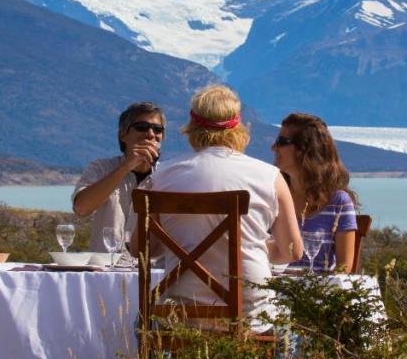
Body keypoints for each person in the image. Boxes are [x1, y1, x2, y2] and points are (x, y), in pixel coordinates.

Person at [134, 84, 302, 329]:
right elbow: (291, 251)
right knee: (289, 319)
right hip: (249, 311)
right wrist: (254, 245)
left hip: (181, 312)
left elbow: (140, 249)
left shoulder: (161, 177)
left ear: (192, 128)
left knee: (138, 323)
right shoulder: (270, 176)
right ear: (239, 127)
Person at [72, 101, 165, 251]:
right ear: (123, 134)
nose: (150, 134)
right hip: (105, 268)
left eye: (157, 129)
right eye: (142, 127)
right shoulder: (100, 168)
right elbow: (81, 208)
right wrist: (126, 167)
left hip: (151, 270)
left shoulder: (167, 177)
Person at [273, 113, 359, 273]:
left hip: (317, 294)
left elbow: (343, 268)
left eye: (281, 142)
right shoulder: (271, 195)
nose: (273, 147)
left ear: (304, 149)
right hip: (271, 292)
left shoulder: (338, 202)